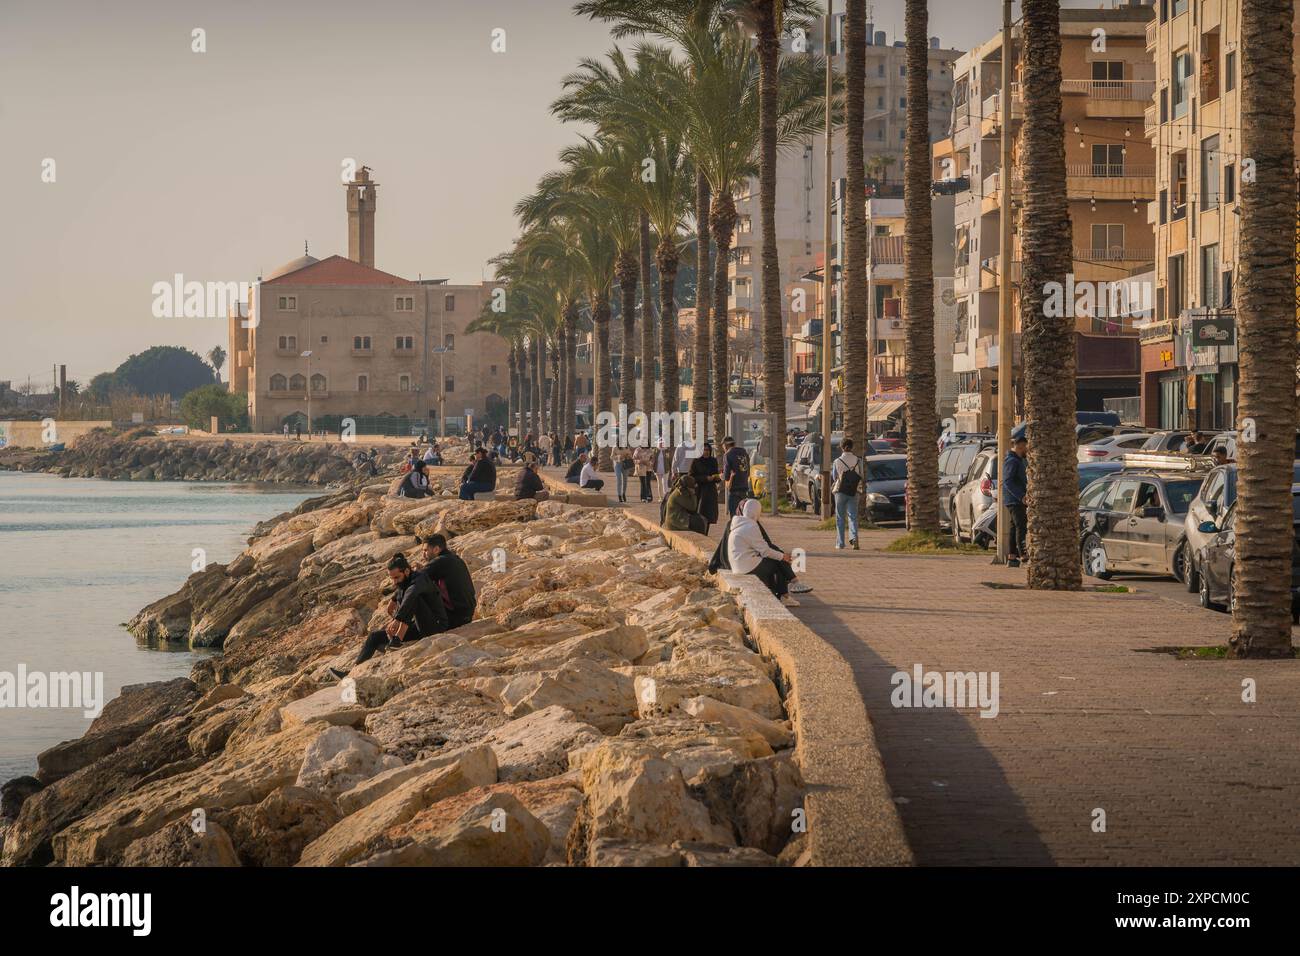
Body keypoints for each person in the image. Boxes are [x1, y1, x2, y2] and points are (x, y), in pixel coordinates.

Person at [329, 553, 447, 678]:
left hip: (436, 626)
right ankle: (351, 673)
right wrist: (394, 598)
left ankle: (397, 640)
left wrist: (397, 620)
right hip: (419, 626)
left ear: (407, 571)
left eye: (397, 577)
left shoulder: (420, 578)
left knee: (414, 598)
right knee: (374, 636)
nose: (394, 582)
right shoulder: (405, 581)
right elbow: (402, 590)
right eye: (392, 578)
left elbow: (411, 594)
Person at [726, 499, 801, 607]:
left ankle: (789, 587)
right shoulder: (751, 526)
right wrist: (782, 556)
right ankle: (787, 594)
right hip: (747, 567)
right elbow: (765, 551)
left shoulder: (738, 524)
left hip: (738, 566)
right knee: (777, 561)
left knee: (775, 560)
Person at [418, 533, 477, 629]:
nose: (423, 555)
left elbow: (415, 579)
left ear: (436, 549)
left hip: (455, 617)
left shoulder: (440, 561)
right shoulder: (454, 559)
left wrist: (393, 597)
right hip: (467, 615)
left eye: (425, 550)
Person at [831, 438, 862, 550]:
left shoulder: (837, 461)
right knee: (852, 516)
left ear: (841, 447)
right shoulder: (858, 460)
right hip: (854, 491)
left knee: (840, 517)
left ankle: (840, 543)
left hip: (840, 491)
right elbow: (861, 475)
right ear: (852, 447)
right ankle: (854, 539)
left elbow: (834, 477)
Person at [1002, 435, 1029, 567]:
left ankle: (1012, 557)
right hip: (1015, 500)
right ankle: (1022, 554)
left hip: (1014, 500)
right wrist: (1021, 496)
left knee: (1014, 527)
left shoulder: (1017, 460)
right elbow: (1008, 481)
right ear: (1020, 446)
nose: (1027, 451)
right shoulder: (1012, 461)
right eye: (1026, 448)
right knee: (1021, 526)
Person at [689, 441, 722, 527]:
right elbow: (691, 477)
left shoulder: (713, 461)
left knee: (709, 516)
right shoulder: (696, 461)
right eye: (704, 450)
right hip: (700, 491)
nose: (706, 452)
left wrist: (717, 478)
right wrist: (705, 478)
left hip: (711, 492)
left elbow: (715, 474)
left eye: (708, 450)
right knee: (700, 514)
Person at [721, 436, 752, 516]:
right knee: (744, 516)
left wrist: (722, 476)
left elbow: (726, 476)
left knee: (734, 519)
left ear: (725, 445)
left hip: (734, 490)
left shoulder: (728, 455)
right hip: (744, 490)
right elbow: (748, 472)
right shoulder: (744, 453)